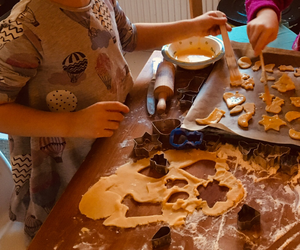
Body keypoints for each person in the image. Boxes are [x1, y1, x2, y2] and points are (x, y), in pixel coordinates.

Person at [0, 0, 231, 238]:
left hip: (112, 139)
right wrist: (72, 123)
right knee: (75, 231)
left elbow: (131, 37)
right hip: (65, 165)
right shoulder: (23, 27)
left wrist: (192, 27)